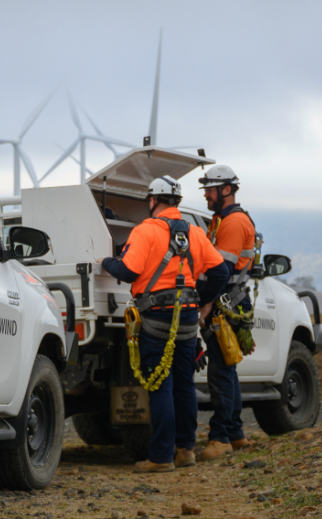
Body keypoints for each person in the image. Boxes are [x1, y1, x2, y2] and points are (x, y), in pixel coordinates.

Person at [98, 176, 229, 473]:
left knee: (159, 386)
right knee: (184, 385)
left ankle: (160, 457)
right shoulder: (195, 233)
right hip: (187, 318)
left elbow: (129, 271)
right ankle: (185, 450)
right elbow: (220, 272)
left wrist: (106, 261)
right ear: (177, 202)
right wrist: (203, 301)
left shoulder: (145, 231)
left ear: (153, 201)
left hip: (157, 317)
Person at [197, 164, 256, 461]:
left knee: (220, 371)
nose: (206, 195)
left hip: (226, 303)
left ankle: (220, 437)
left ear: (226, 189)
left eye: (210, 189)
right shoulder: (221, 220)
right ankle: (235, 433)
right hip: (231, 302)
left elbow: (220, 271)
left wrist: (205, 303)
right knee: (227, 369)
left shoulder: (232, 223)